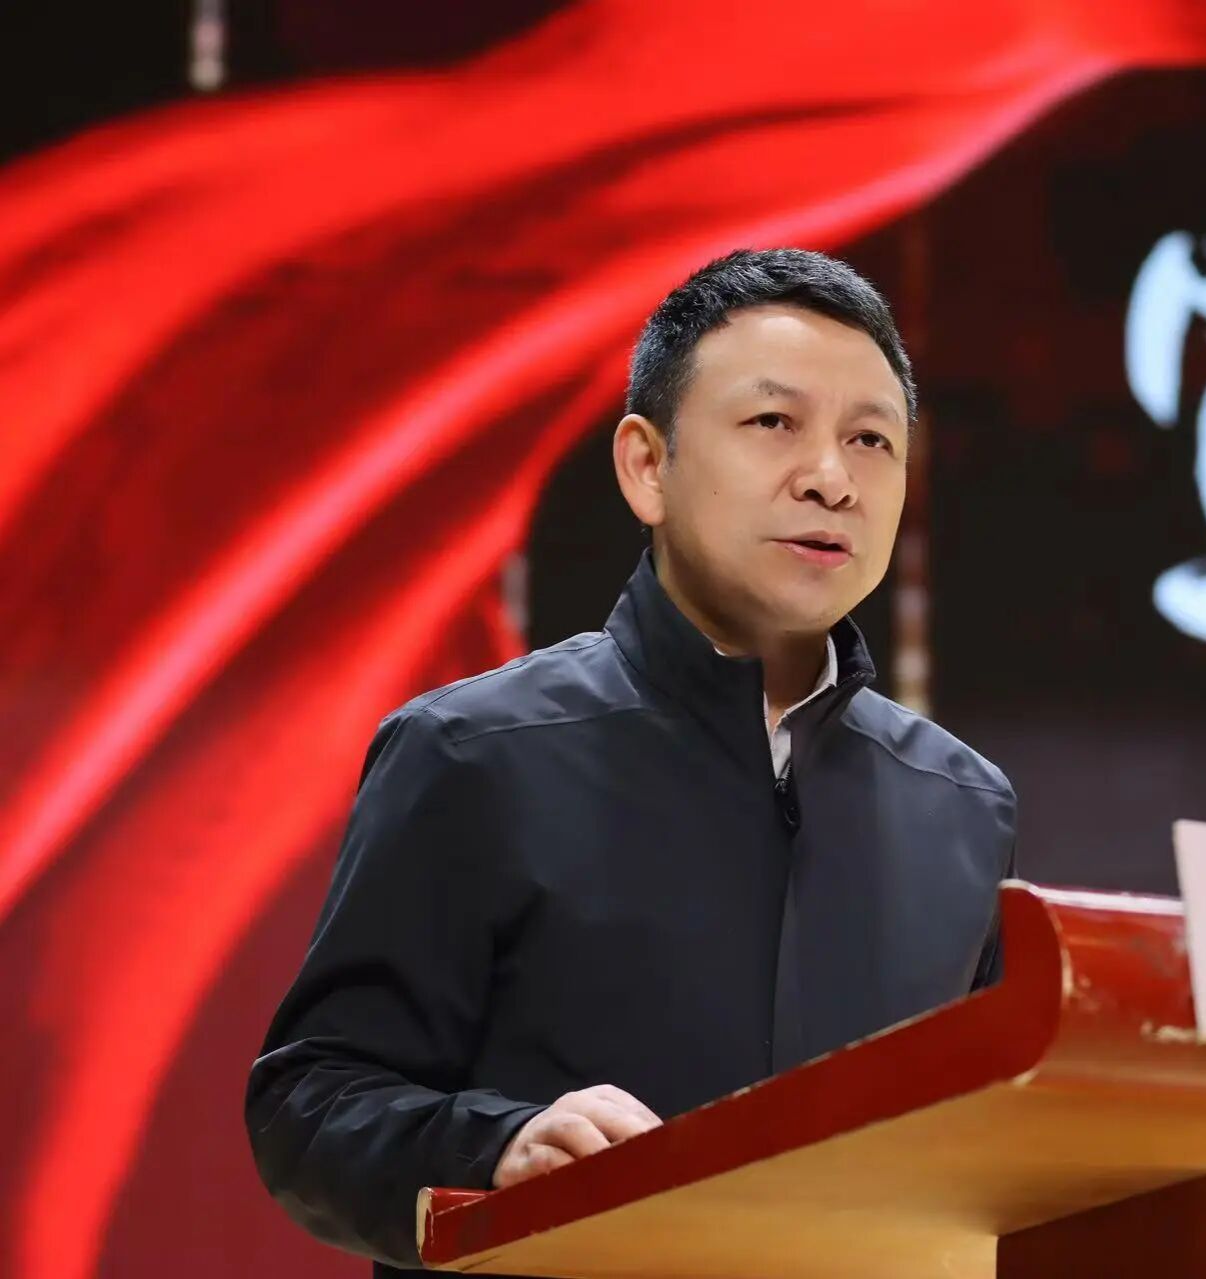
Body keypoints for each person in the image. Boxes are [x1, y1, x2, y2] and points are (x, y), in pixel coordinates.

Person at [244, 249, 1017, 1274]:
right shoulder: (474, 754)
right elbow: (309, 1101)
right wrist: (498, 1146)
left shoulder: (961, 804)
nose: (831, 479)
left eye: (871, 439)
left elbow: (984, 1154)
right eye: (773, 422)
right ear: (647, 466)